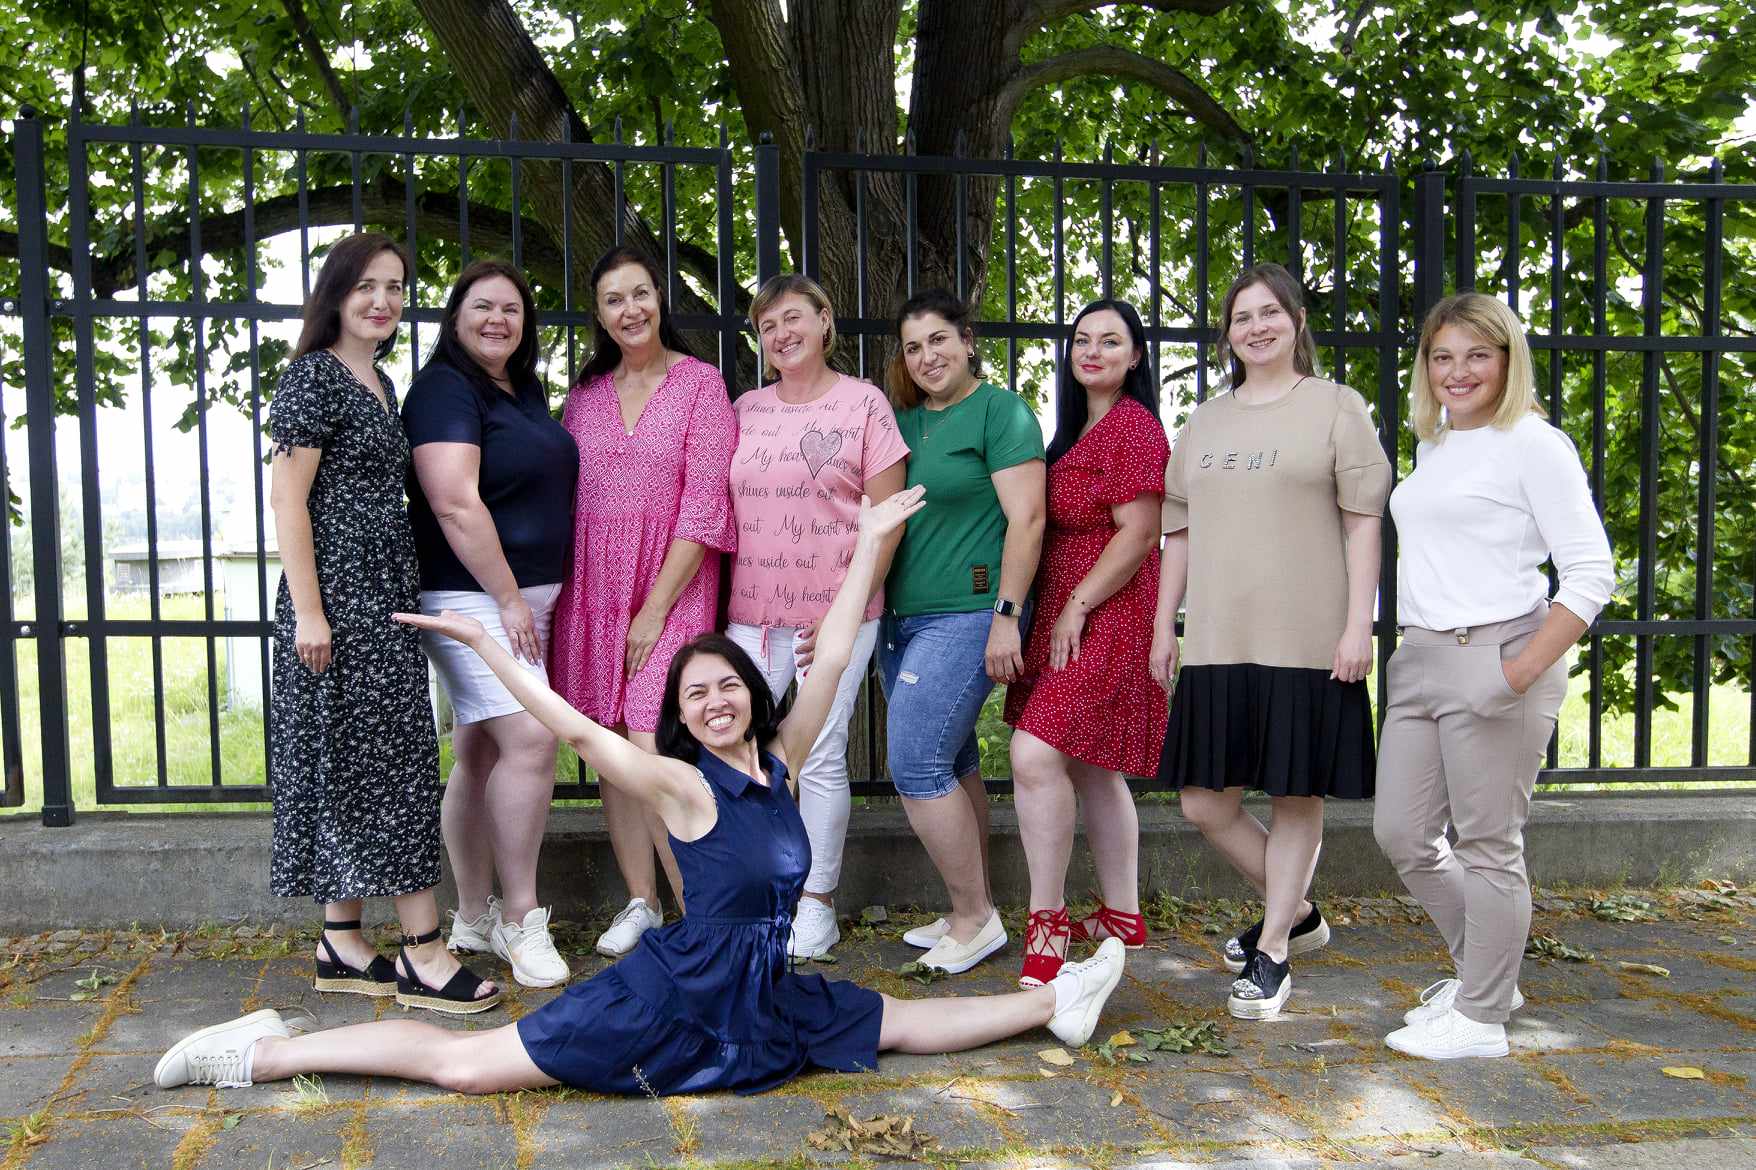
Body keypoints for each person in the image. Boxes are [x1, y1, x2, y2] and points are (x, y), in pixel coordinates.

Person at [153, 487, 1128, 1098]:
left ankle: (1058, 1003)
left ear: (750, 695)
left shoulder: (782, 757)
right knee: (466, 1068)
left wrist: (868, 544)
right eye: (693, 694)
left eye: (724, 686)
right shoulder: (680, 783)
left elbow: (833, 653)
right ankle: (261, 1053)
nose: (712, 702)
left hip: (762, 991)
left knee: (898, 1024)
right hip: (671, 997)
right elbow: (579, 731)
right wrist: (490, 648)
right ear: (682, 715)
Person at [1373, 294, 1612, 1060]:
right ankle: (1487, 979)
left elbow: (1591, 574)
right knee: (1402, 833)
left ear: (1508, 360)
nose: (1458, 371)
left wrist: (1515, 674)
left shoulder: (1534, 444)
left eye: (1477, 354)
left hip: (1496, 655)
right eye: (1442, 356)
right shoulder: (1439, 444)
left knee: (1487, 845)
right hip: (1420, 659)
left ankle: (1480, 1020)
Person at [266, 231, 499, 1015]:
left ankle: (341, 939)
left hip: (380, 599)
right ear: (337, 293)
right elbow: (287, 500)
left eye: (396, 287)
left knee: (362, 764)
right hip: (337, 603)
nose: (383, 300)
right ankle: (424, 952)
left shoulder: (380, 380)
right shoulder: (312, 378)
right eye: (367, 285)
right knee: (394, 769)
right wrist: (310, 611)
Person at [1152, 262, 1391, 1021]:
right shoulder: (1204, 423)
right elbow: (1179, 533)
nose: (1256, 327)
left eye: (1269, 313)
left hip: (1309, 637)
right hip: (1219, 637)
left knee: (1295, 793)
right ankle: (1298, 912)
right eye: (1241, 317)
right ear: (1227, 334)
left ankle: (1277, 948)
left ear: (1296, 320)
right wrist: (1163, 624)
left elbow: (1363, 524)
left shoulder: (1336, 407)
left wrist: (1358, 626)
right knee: (1202, 803)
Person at [547, 246, 737, 958]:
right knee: (609, 744)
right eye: (614, 299)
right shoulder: (584, 397)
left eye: (641, 294)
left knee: (652, 738)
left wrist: (654, 610)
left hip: (673, 585)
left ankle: (704, 909)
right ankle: (641, 902)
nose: (630, 310)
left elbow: (705, 505)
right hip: (595, 588)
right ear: (599, 316)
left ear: (660, 300)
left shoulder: (700, 384)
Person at [402, 260, 580, 989]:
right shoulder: (444, 389)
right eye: (482, 307)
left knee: (479, 751)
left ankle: (472, 915)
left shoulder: (520, 390)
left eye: (511, 308)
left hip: (522, 600)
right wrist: (508, 597)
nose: (497, 320)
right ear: (455, 317)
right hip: (473, 597)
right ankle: (520, 918)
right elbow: (454, 502)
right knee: (533, 738)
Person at [727, 273, 909, 960]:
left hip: (839, 615)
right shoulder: (745, 409)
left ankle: (817, 904)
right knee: (738, 750)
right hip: (751, 614)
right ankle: (752, 891)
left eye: (794, 318)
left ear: (825, 321)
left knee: (823, 753)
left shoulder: (865, 405)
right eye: (768, 325)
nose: (782, 334)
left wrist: (838, 615)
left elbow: (887, 524)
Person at [1004, 299, 1170, 989]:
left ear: (1136, 357)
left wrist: (1077, 604)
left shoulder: (1134, 427)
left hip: (1109, 609)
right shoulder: (1073, 431)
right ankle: (1123, 916)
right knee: (1092, 766)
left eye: (1110, 341)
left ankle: (1046, 921)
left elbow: (1140, 532)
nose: (1092, 351)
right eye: (1082, 340)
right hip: (1067, 610)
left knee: (1034, 753)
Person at [882, 289, 1045, 974]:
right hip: (902, 620)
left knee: (915, 760)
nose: (927, 356)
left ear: (968, 340)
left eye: (939, 339)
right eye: (913, 347)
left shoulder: (1001, 412)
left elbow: (1028, 519)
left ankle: (975, 919)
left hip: (972, 613)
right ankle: (970, 911)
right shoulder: (900, 422)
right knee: (953, 763)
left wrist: (1006, 615)